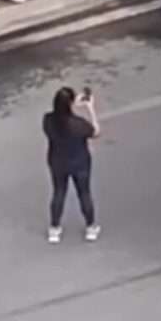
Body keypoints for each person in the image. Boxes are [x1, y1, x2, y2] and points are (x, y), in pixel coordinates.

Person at [43, 86, 101, 244]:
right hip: (79, 162)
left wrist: (72, 103)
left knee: (58, 193)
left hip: (57, 162)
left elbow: (61, 116)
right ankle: (90, 227)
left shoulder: (48, 120)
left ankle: (54, 229)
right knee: (84, 194)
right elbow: (96, 132)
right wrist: (89, 108)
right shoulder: (78, 124)